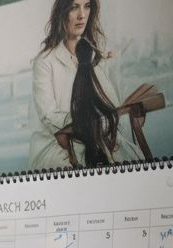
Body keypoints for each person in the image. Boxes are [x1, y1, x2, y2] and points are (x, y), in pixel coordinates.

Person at [29, 0, 143, 169]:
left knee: (132, 158)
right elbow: (49, 115)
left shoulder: (96, 57)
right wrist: (86, 120)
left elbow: (112, 104)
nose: (82, 15)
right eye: (74, 7)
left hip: (99, 139)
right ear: (62, 12)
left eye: (87, 6)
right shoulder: (45, 62)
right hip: (60, 145)